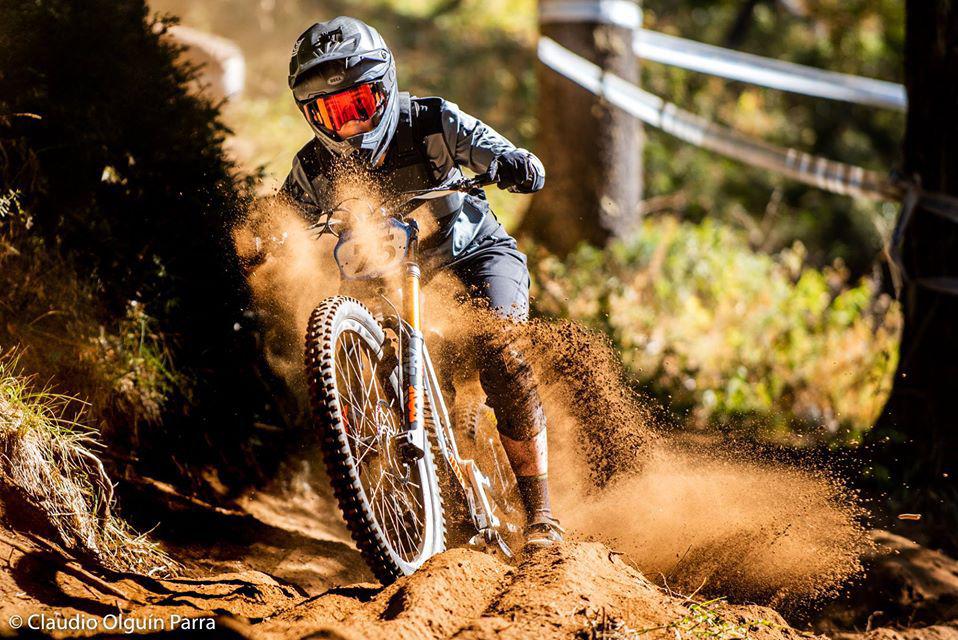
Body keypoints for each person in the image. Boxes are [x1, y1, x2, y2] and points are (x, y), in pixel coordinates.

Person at [280, 16, 562, 547]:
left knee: (502, 355)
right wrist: (261, 240)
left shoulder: (433, 121)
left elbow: (495, 148)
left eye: (359, 105)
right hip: (385, 278)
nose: (350, 126)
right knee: (380, 369)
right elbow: (280, 218)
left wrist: (514, 164)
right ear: (311, 116)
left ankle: (542, 514)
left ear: (385, 89)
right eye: (332, 113)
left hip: (474, 256)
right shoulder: (313, 169)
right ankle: (419, 496)